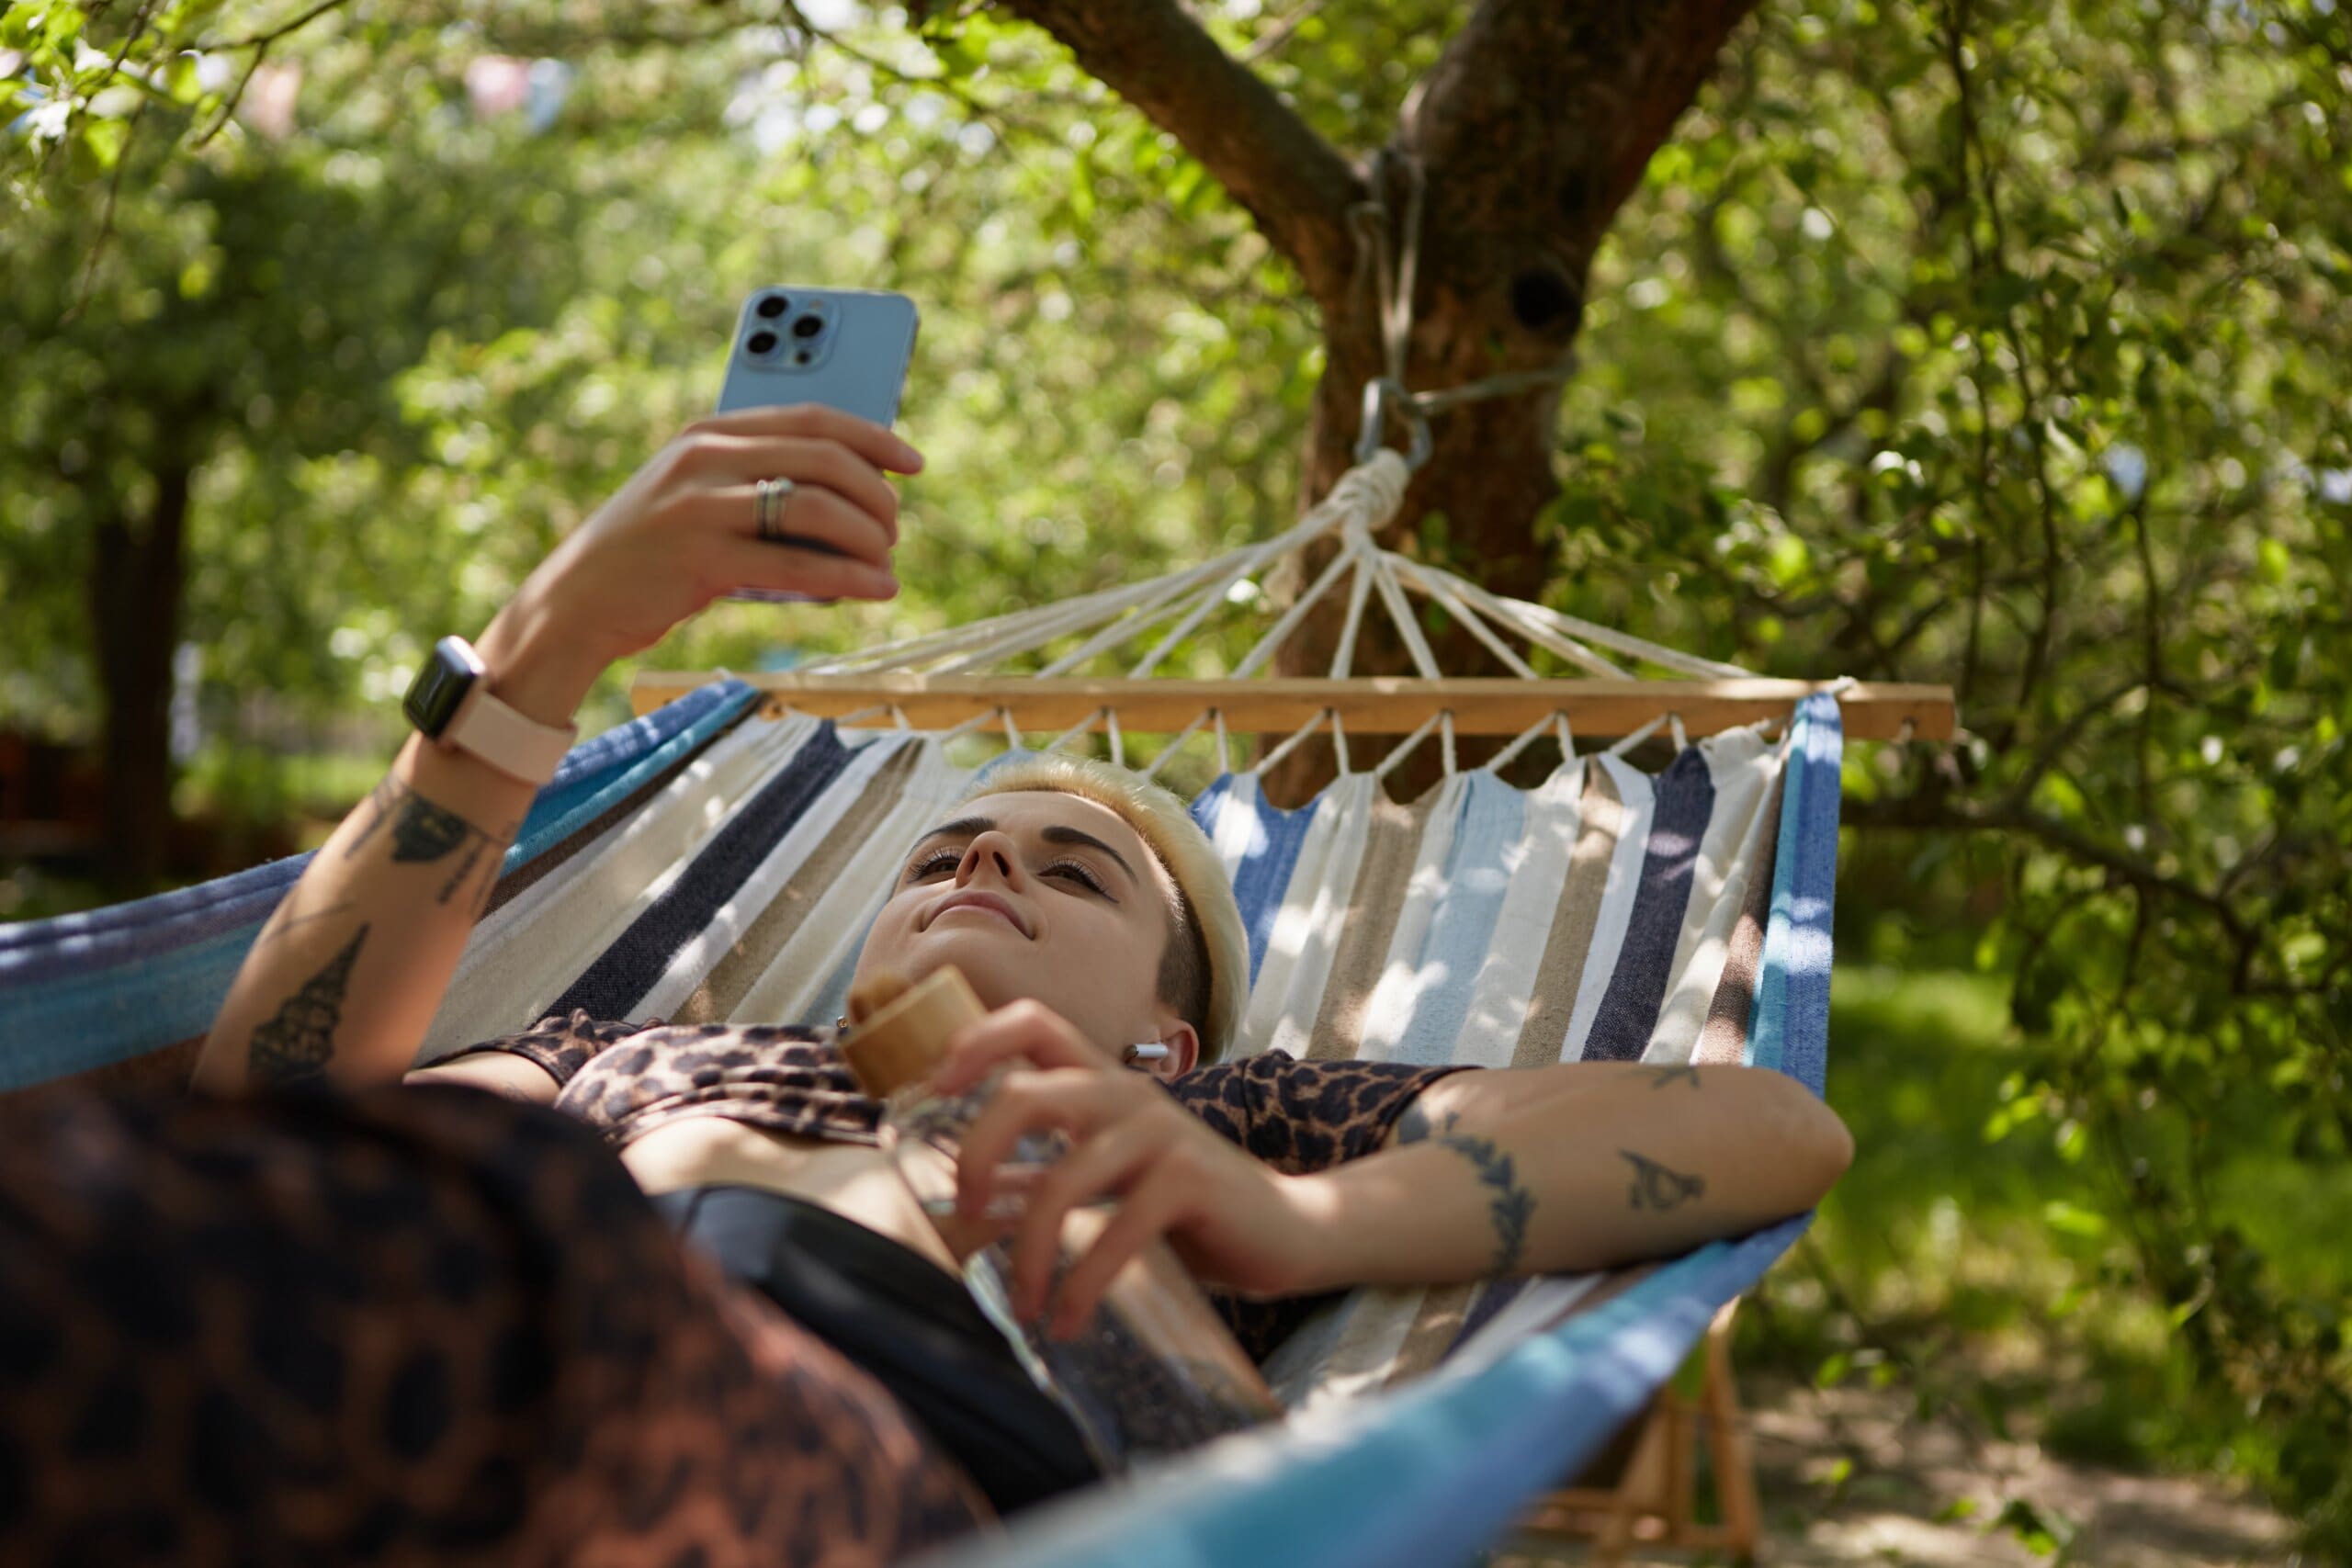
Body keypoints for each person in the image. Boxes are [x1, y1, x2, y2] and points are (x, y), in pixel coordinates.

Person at [0, 405, 1853, 1566]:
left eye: (1072, 869)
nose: (984, 869)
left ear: (1169, 1021)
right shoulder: (636, 1050)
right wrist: (546, 642)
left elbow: (1769, 1124)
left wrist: (1284, 1219)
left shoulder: (1204, 1116)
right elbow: (277, 1120)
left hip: (867, 1461)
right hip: (460, 1409)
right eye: (950, 852)